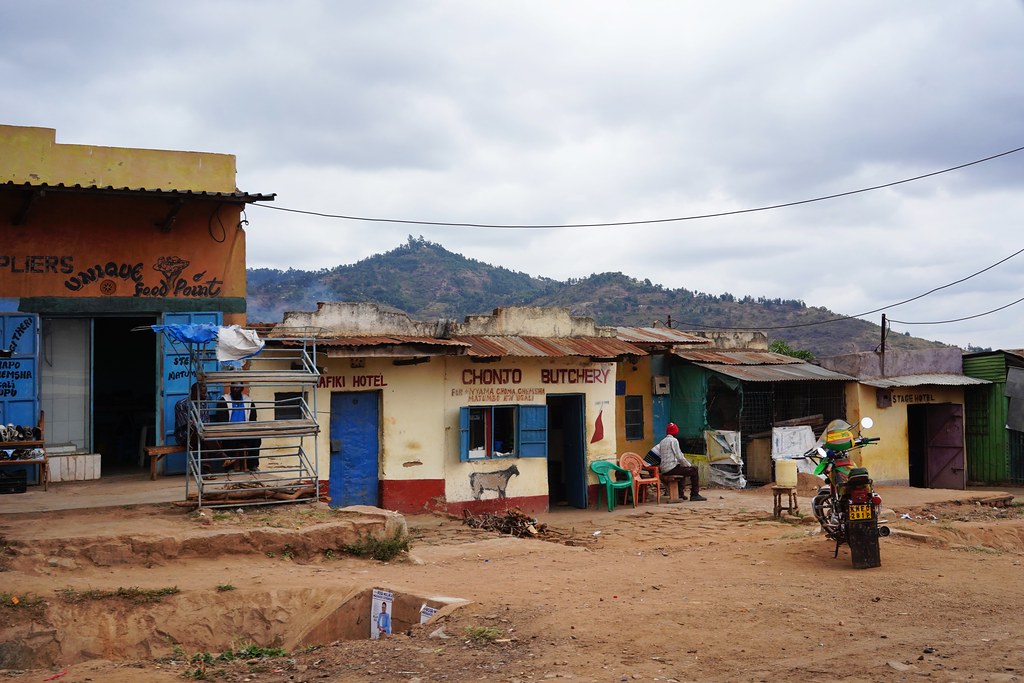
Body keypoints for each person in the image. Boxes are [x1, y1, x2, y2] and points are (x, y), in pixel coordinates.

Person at [212, 381, 261, 472]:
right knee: (229, 439)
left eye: (237, 388)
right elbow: (222, 420)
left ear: (242, 389)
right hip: (230, 431)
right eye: (233, 387)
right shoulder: (224, 400)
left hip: (245, 431)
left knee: (256, 438)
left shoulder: (248, 401)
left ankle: (253, 465)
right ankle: (229, 467)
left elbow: (253, 420)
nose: (235, 390)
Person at [657, 422, 706, 501]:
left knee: (682, 469)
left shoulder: (662, 441)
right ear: (675, 432)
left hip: (664, 469)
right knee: (694, 470)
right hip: (670, 469)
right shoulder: (674, 440)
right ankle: (694, 494)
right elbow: (679, 456)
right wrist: (688, 465)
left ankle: (680, 493)